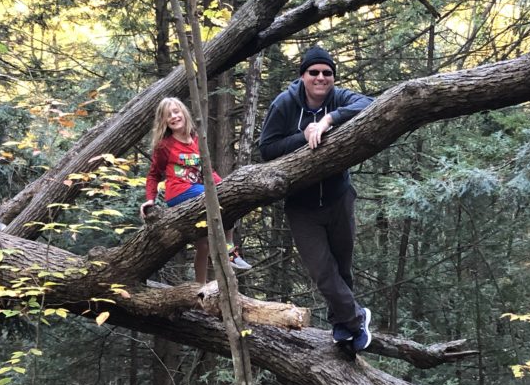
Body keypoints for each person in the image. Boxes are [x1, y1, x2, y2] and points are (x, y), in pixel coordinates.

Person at [258, 45, 374, 352]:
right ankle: (357, 317)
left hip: (339, 197)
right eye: (314, 72)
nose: (320, 78)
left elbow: (371, 104)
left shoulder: (339, 98)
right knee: (324, 273)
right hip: (302, 206)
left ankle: (343, 327)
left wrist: (328, 120)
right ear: (303, 76)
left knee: (343, 267)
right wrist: (303, 136)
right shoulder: (285, 104)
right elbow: (267, 148)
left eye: (327, 73)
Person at [140, 97, 252, 284]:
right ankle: (229, 248)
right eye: (169, 115)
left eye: (176, 111)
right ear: (164, 121)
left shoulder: (197, 140)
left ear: (184, 112)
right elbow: (153, 175)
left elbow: (208, 171)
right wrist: (150, 199)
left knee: (203, 244)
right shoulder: (165, 146)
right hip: (179, 193)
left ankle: (199, 291)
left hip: (199, 190)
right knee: (221, 199)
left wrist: (226, 186)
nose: (174, 117)